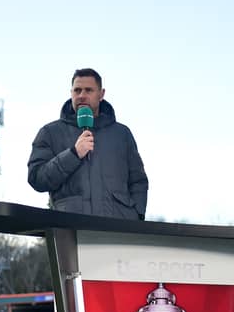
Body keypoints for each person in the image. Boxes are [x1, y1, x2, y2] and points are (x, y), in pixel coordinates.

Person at [28, 68, 148, 219]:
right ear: (71, 92)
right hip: (70, 227)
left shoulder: (122, 134)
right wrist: (73, 154)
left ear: (101, 94)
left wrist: (136, 215)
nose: (82, 95)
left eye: (88, 90)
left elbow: (138, 181)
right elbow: (37, 178)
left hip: (119, 227)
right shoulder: (50, 133)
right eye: (77, 90)